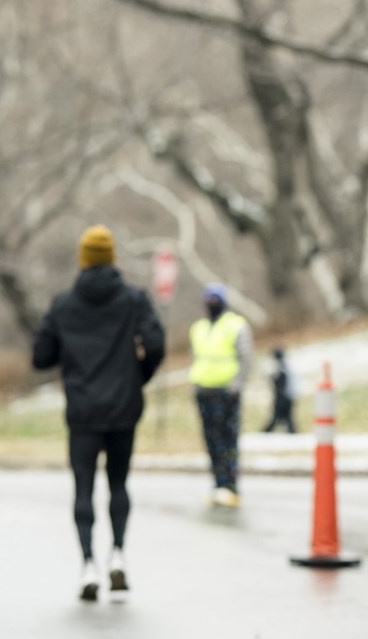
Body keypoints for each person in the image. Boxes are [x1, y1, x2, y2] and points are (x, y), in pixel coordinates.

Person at [32, 225, 165, 601]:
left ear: (82, 259)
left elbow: (41, 356)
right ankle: (118, 555)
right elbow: (155, 344)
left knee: (84, 487)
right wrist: (138, 376)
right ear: (111, 258)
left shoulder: (64, 305)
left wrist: (68, 353)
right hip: (124, 406)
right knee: (119, 484)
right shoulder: (133, 300)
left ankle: (88, 563)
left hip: (82, 409)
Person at [190, 283, 251, 507]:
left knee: (228, 440)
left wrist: (236, 386)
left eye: (215, 300)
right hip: (204, 392)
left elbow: (246, 358)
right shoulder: (199, 328)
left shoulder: (235, 325)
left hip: (227, 393)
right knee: (211, 441)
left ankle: (230, 485)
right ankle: (218, 484)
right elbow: (195, 358)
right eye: (209, 300)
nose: (211, 304)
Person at [264, 347, 297, 433]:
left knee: (280, 416)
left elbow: (281, 382)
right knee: (286, 416)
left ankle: (267, 432)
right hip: (287, 395)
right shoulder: (286, 365)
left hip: (283, 396)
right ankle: (292, 432)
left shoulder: (282, 366)